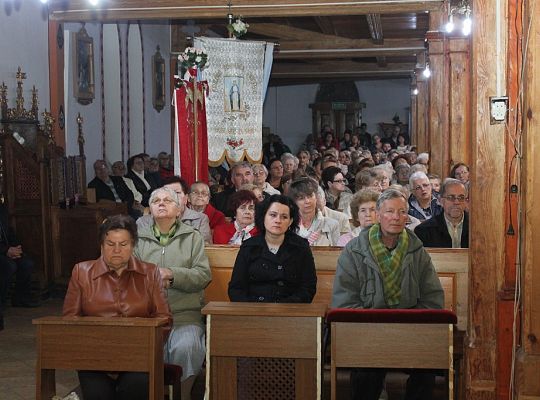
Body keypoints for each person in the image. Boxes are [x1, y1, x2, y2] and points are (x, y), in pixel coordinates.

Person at [331, 188, 444, 400]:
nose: (396, 217)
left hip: (409, 331)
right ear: (379, 215)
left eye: (402, 212)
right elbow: (344, 301)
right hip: (367, 332)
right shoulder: (354, 251)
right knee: (366, 373)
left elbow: (432, 298)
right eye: (390, 211)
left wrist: (408, 326)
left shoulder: (417, 251)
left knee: (427, 370)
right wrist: (376, 328)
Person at [63, 214, 172, 400]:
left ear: (133, 246)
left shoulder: (150, 272)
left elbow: (164, 319)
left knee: (136, 388)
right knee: (98, 394)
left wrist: (139, 347)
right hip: (94, 359)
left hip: (139, 357)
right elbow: (69, 320)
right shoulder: (81, 272)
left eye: (123, 244)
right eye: (110, 244)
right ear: (101, 246)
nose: (116, 250)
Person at [134, 187, 211, 400]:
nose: (161, 203)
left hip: (183, 314)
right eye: (156, 200)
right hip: (145, 315)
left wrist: (172, 274)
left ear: (179, 210)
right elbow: (129, 276)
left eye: (167, 200)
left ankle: (181, 396)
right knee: (134, 347)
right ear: (149, 209)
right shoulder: (138, 238)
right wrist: (153, 278)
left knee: (187, 347)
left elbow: (203, 275)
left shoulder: (192, 237)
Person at [228, 194, 317, 303]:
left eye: (284, 217)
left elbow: (308, 288)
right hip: (253, 311)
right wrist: (252, 310)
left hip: (290, 311)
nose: (278, 220)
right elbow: (236, 289)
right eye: (273, 215)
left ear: (290, 221)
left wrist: (284, 308)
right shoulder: (249, 247)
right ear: (263, 216)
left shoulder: (301, 247)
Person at [137, 176, 212, 244]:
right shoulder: (144, 222)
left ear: (186, 198)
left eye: (177, 193)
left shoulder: (200, 219)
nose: (172, 197)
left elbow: (203, 247)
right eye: (167, 193)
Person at [0, 203, 38, 309]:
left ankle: (20, 298)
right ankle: (1, 302)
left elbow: (9, 231)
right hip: (3, 251)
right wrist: (6, 250)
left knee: (27, 264)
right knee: (9, 266)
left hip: (6, 249)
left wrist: (16, 247)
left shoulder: (2, 208)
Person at [415, 178, 469, 248]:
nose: (456, 202)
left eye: (461, 197)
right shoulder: (424, 230)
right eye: (451, 197)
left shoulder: (477, 227)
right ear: (441, 201)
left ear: (466, 201)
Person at [288, 177, 340, 246]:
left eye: (310, 196)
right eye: (301, 198)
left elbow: (336, 254)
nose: (307, 201)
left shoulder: (332, 225)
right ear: (294, 202)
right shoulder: (288, 225)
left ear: (316, 197)